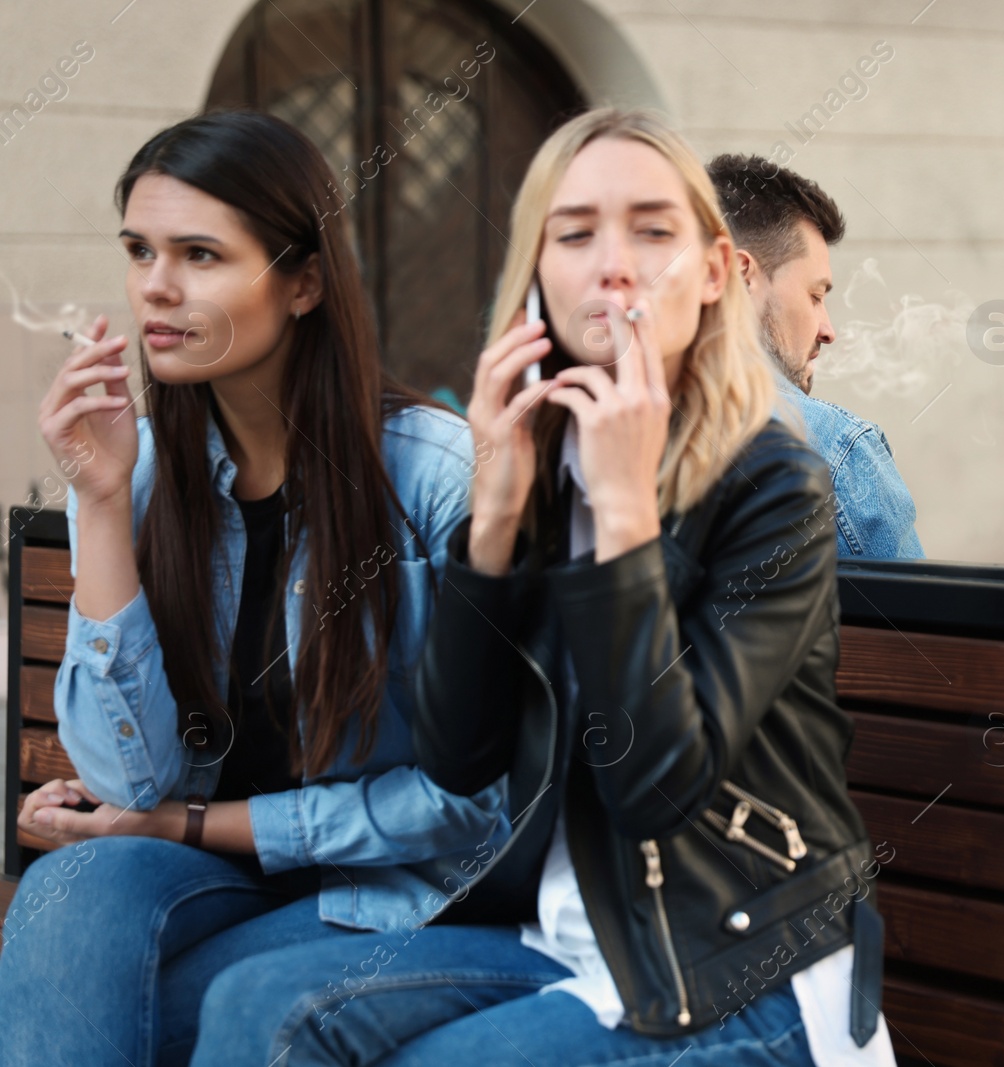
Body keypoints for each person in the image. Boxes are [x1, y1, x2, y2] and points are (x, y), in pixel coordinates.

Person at [186, 108, 895, 1067]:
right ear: (535, 279)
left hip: (741, 967)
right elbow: (462, 754)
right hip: (566, 934)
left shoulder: (774, 483)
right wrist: (496, 514)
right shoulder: (544, 463)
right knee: (255, 1004)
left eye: (653, 231)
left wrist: (625, 520)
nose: (613, 263)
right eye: (574, 234)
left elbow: (655, 786)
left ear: (719, 273)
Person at [0, 110, 507, 1067]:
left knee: (168, 1002)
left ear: (305, 281)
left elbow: (469, 803)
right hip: (208, 874)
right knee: (65, 897)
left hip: (401, 887)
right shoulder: (136, 469)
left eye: (200, 254)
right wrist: (101, 503)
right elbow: (128, 781)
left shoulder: (436, 476)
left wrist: (182, 821)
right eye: (140, 250)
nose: (156, 285)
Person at [708, 153, 923, 559]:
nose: (828, 330)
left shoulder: (603, 425)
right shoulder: (833, 453)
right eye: (815, 296)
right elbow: (916, 623)